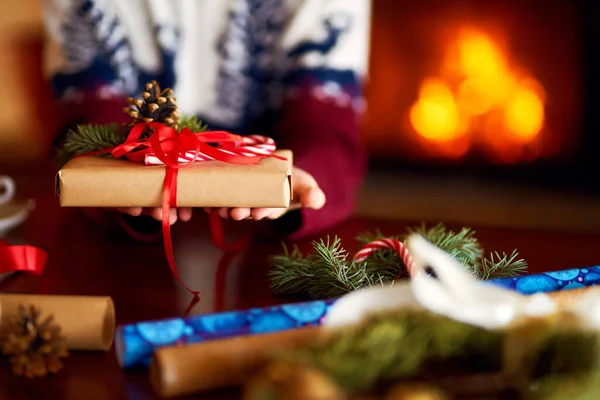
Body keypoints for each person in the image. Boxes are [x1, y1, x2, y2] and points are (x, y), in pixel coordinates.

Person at [43, 0, 371, 241]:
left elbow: (327, 130)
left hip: (266, 250)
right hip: (121, 249)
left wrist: (293, 181)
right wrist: (120, 182)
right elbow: (84, 123)